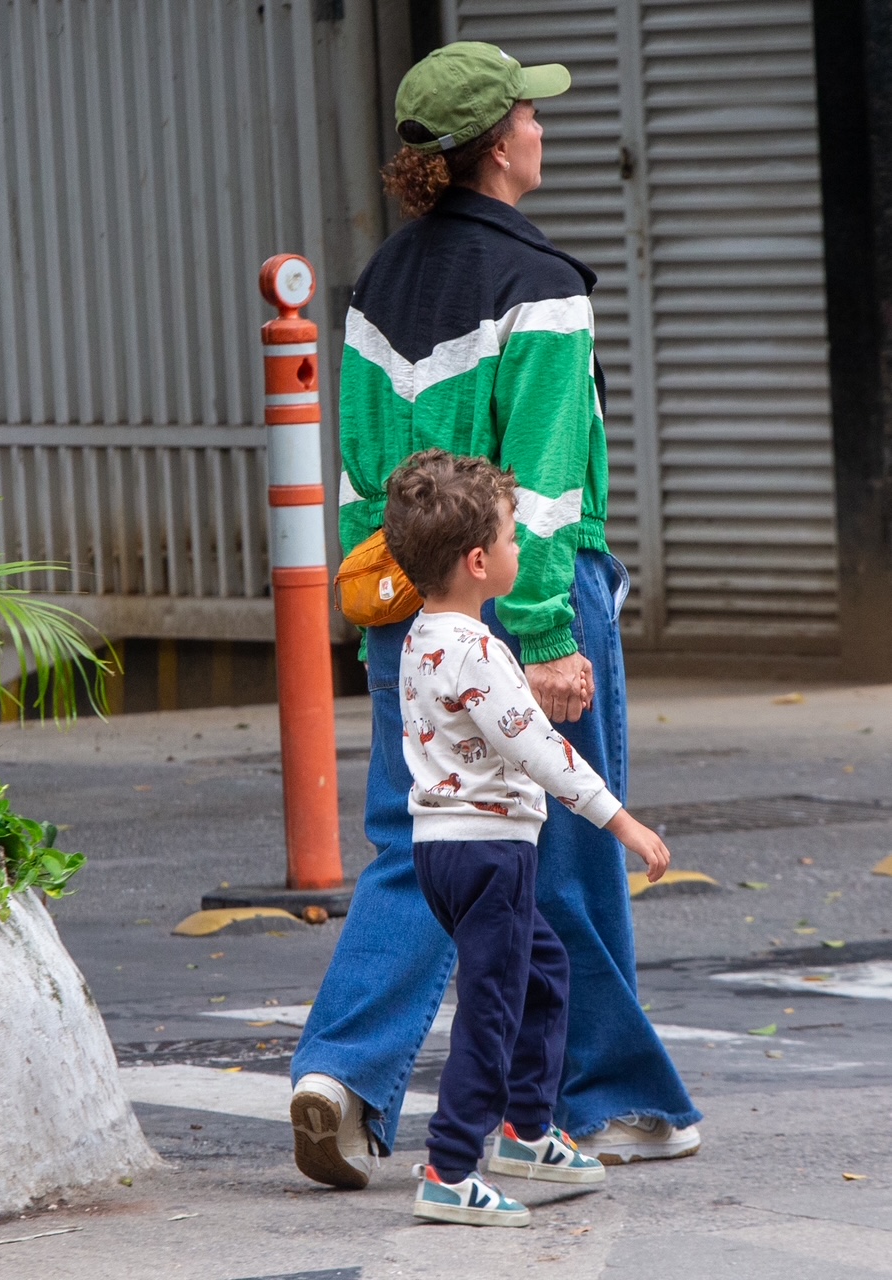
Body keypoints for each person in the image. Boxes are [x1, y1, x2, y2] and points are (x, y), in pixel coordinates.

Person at [289, 40, 701, 1190]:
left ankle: (337, 1073)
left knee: (410, 844)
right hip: (523, 594)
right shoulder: (541, 285)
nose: (540, 127)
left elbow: (362, 477)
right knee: (558, 848)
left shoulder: (377, 285)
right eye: (528, 113)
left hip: (403, 600)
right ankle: (597, 1097)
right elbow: (545, 485)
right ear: (494, 146)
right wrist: (550, 637)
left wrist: (384, 613)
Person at [384, 450, 671, 1227]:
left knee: (541, 974)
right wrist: (623, 823)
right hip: (490, 852)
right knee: (493, 1009)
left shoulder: (421, 638)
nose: (522, 549)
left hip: (441, 849)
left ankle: (528, 1130)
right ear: (479, 563)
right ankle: (450, 1168)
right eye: (514, 538)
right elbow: (542, 751)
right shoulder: (479, 651)